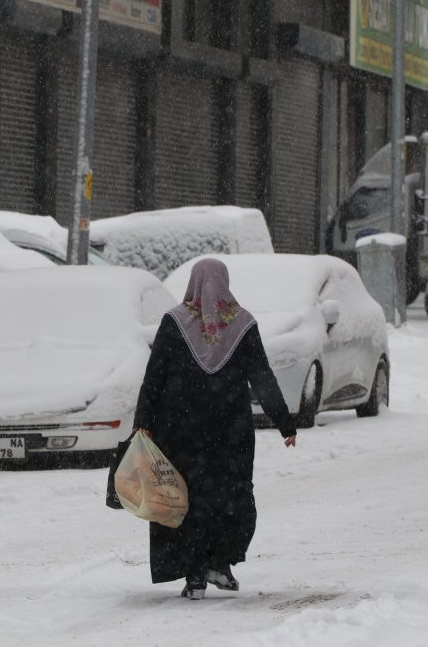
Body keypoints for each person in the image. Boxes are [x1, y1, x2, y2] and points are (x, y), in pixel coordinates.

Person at [133, 257, 297, 600]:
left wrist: (144, 423)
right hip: (230, 434)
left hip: (181, 432)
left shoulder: (174, 323)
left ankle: (195, 573)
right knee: (231, 498)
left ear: (193, 283)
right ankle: (219, 562)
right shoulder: (241, 324)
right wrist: (284, 422)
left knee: (184, 501)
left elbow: (154, 378)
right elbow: (262, 377)